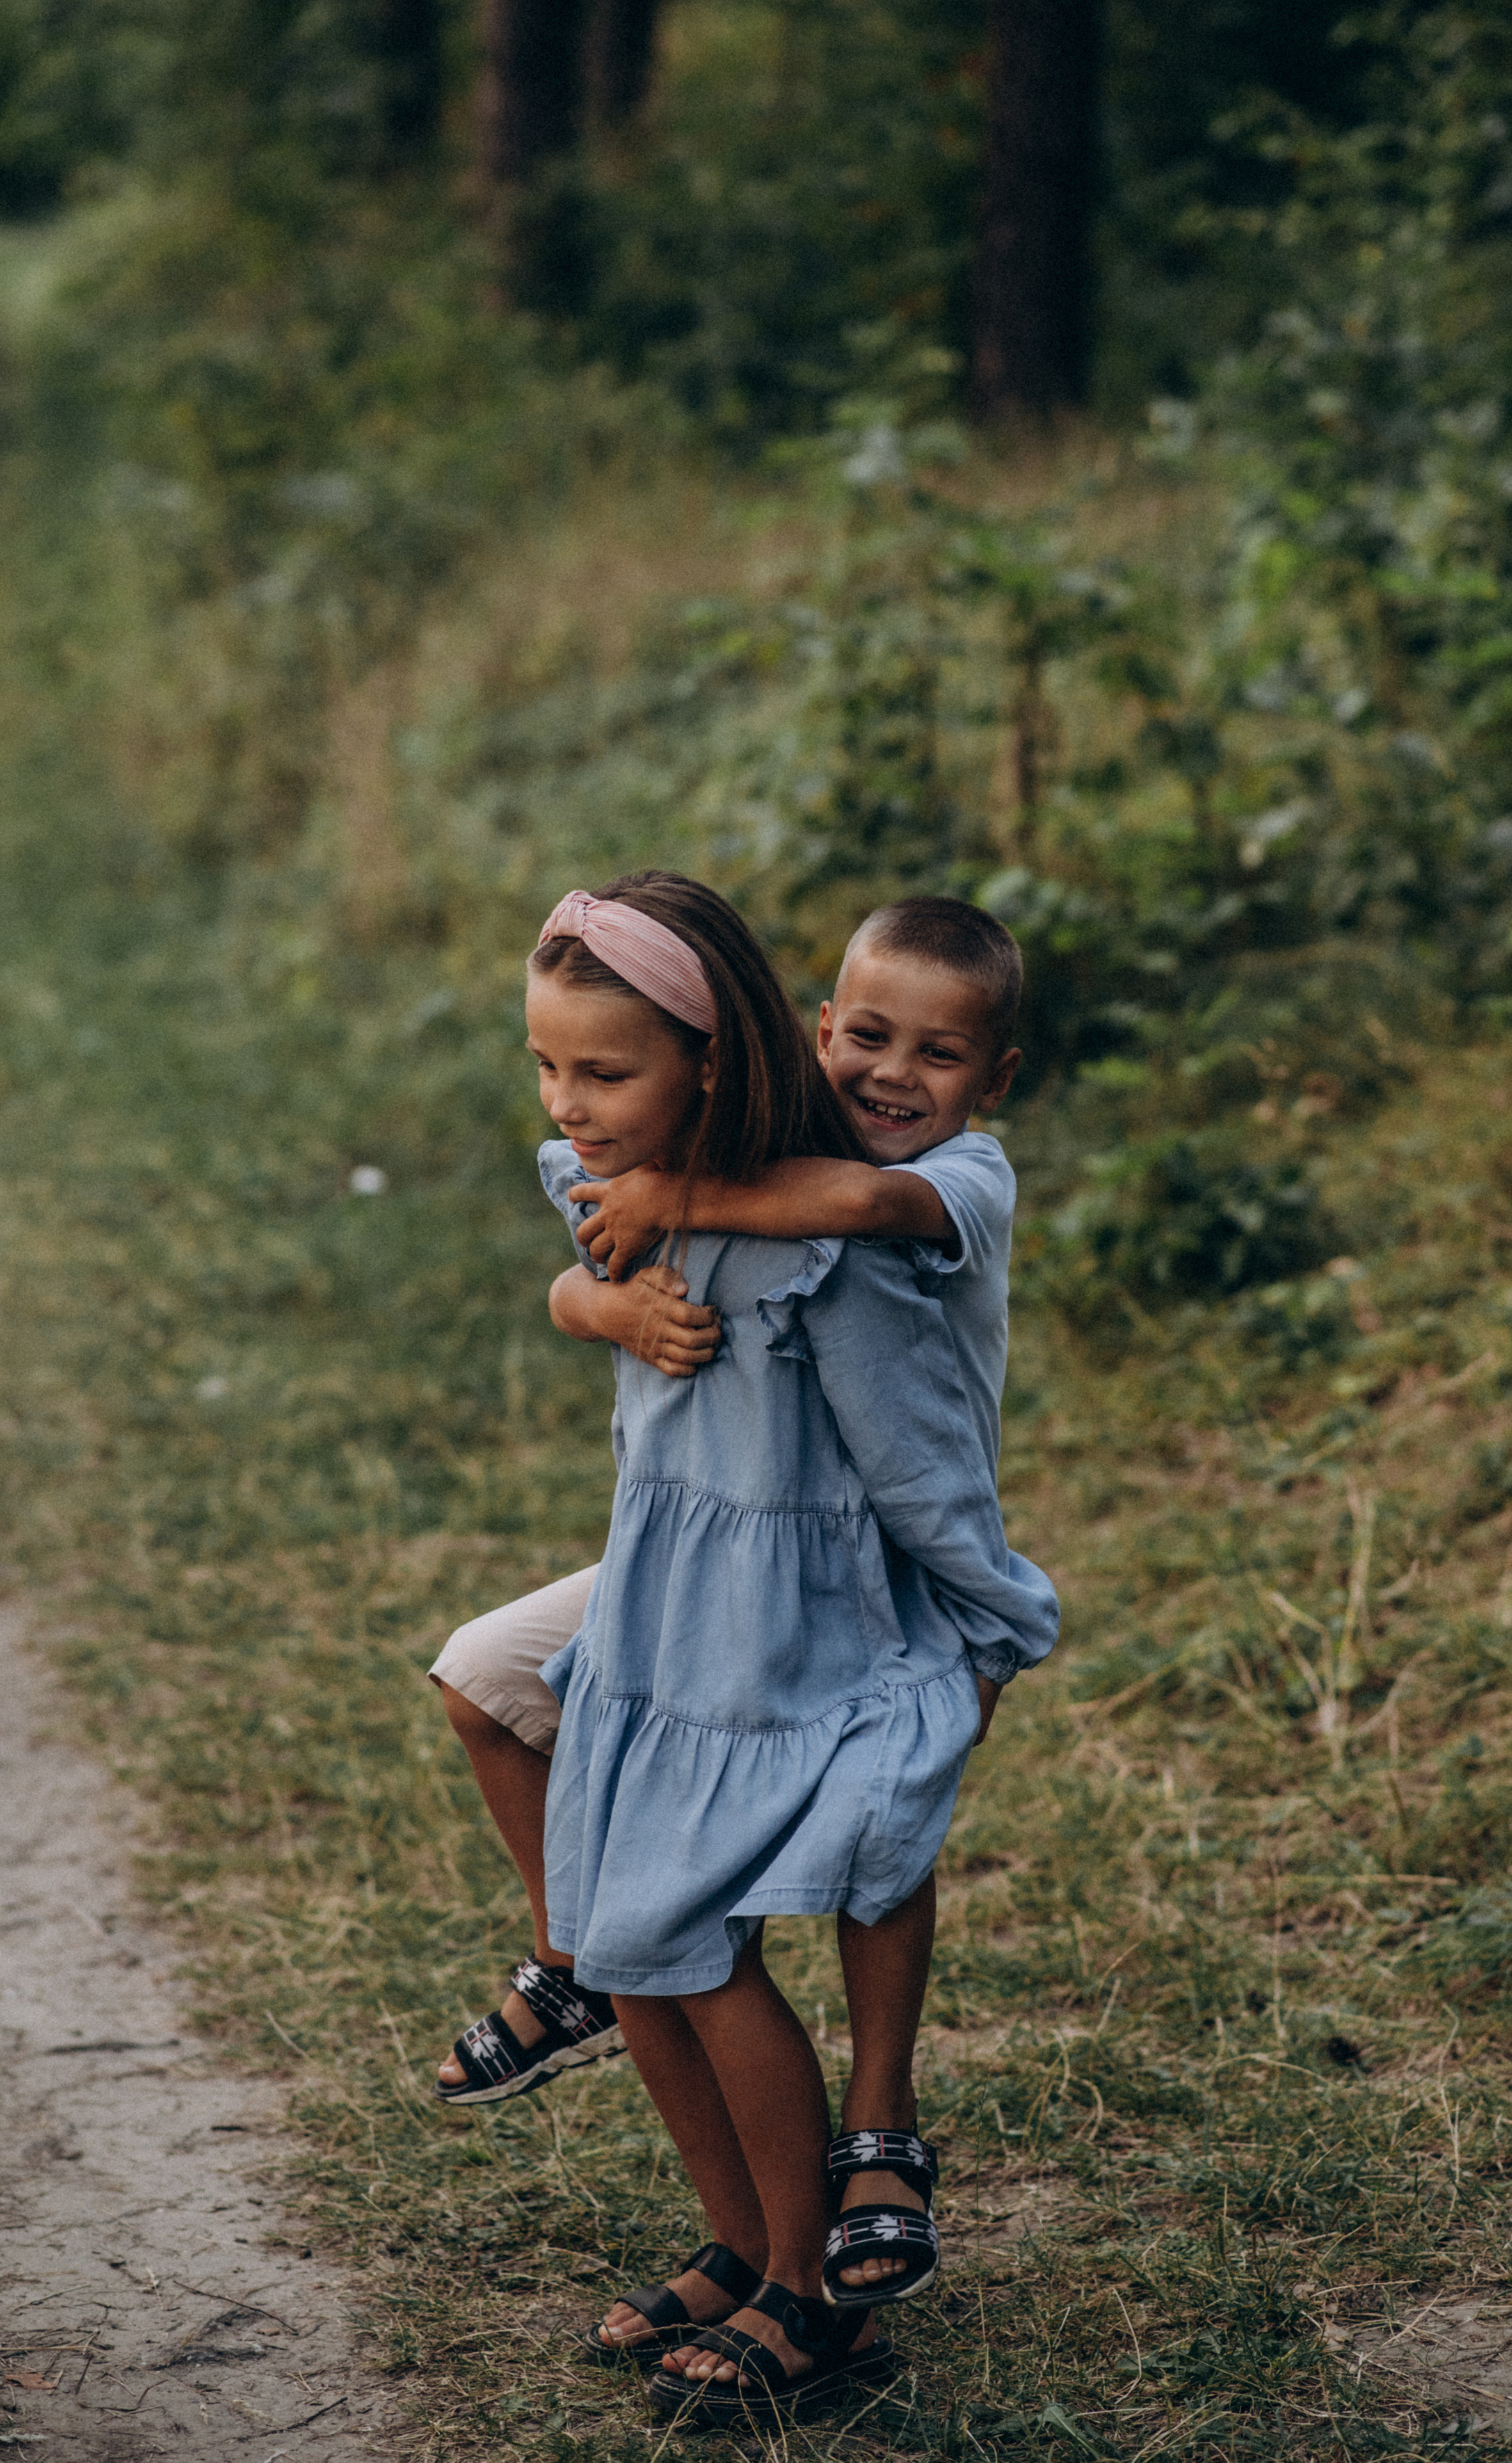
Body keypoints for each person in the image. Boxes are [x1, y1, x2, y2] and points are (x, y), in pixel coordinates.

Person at [499, 872, 1054, 2425]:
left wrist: (990, 1618)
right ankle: (742, 2226)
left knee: (768, 1889)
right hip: (683, 1580)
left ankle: (825, 2246)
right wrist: (606, 1297)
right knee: (520, 1740)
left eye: (937, 1052)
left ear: (995, 1078)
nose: (892, 1074)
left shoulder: (930, 1192)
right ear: (811, 1034)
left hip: (862, 1579)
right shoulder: (656, 1165)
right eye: (865, 1036)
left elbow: (876, 1288)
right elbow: (580, 1261)